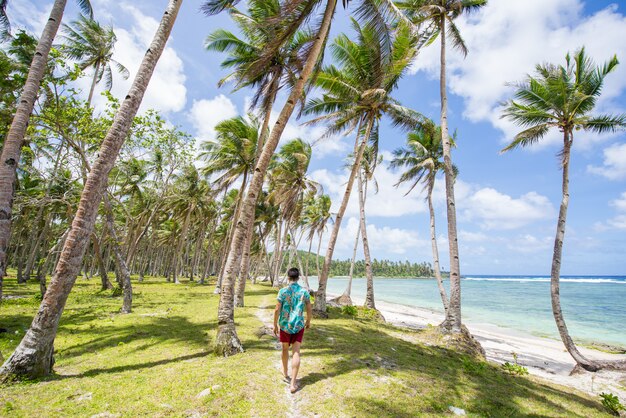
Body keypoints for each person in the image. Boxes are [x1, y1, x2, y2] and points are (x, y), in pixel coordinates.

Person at [273, 267, 311, 393]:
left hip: (284, 325)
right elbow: (309, 308)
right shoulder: (304, 292)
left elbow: (277, 309)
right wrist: (308, 321)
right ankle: (293, 384)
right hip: (298, 325)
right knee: (296, 352)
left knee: (284, 349)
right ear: (298, 277)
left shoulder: (282, 291)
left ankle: (285, 373)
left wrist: (274, 325)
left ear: (288, 277)